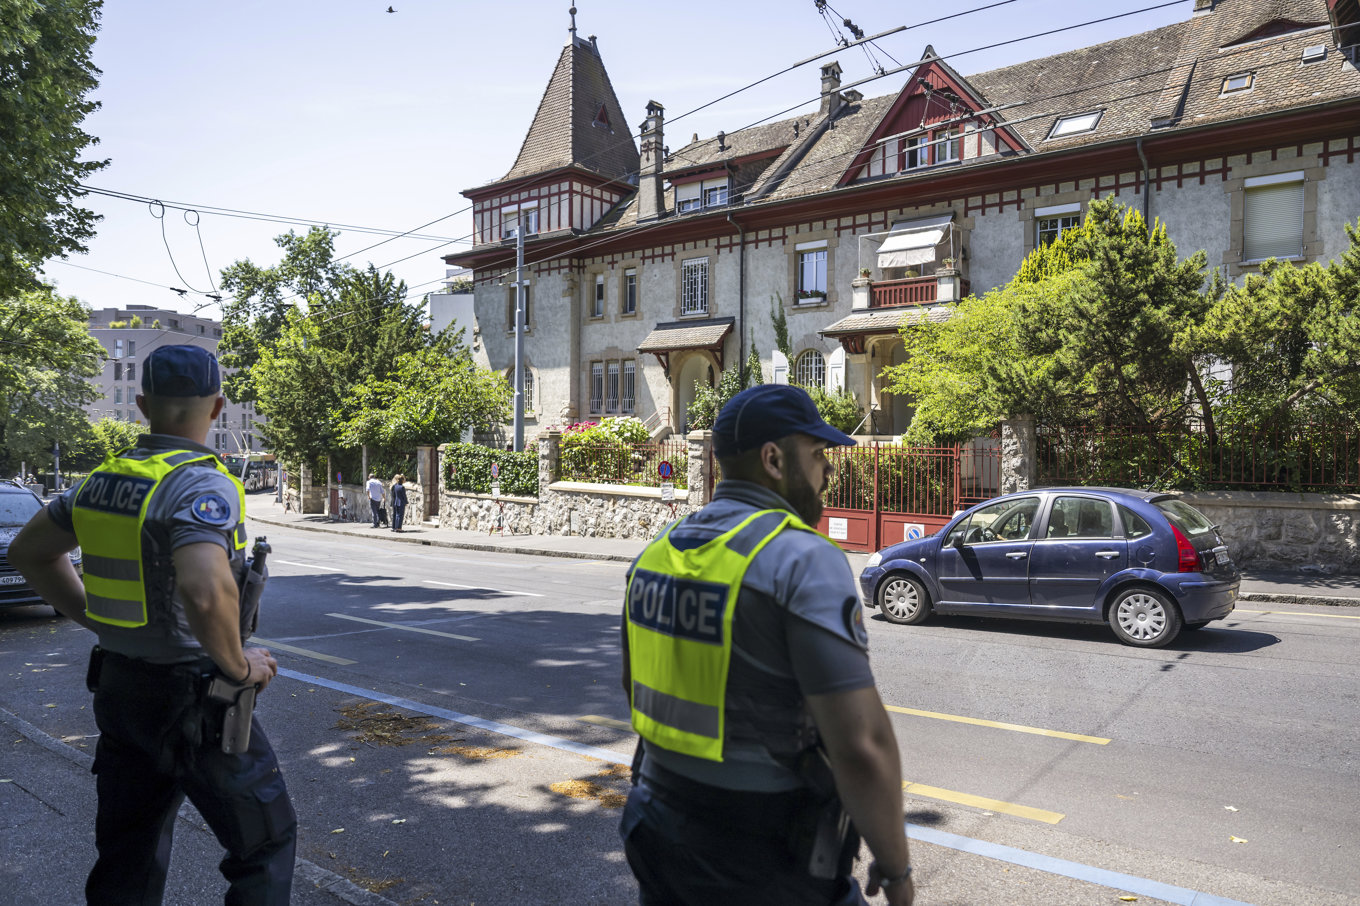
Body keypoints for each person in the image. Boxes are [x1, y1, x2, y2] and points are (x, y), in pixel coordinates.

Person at [9, 345, 296, 906]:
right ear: (217, 408)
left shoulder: (100, 482)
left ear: (142, 405)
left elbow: (30, 553)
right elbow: (204, 588)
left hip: (120, 689)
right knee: (266, 843)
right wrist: (240, 666)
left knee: (129, 854)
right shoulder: (201, 484)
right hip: (194, 700)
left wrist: (97, 619)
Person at [619, 384, 915, 906]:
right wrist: (896, 871)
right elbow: (862, 745)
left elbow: (637, 691)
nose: (827, 470)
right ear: (774, 459)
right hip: (760, 857)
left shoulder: (654, 556)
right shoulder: (799, 557)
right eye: (818, 455)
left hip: (656, 828)